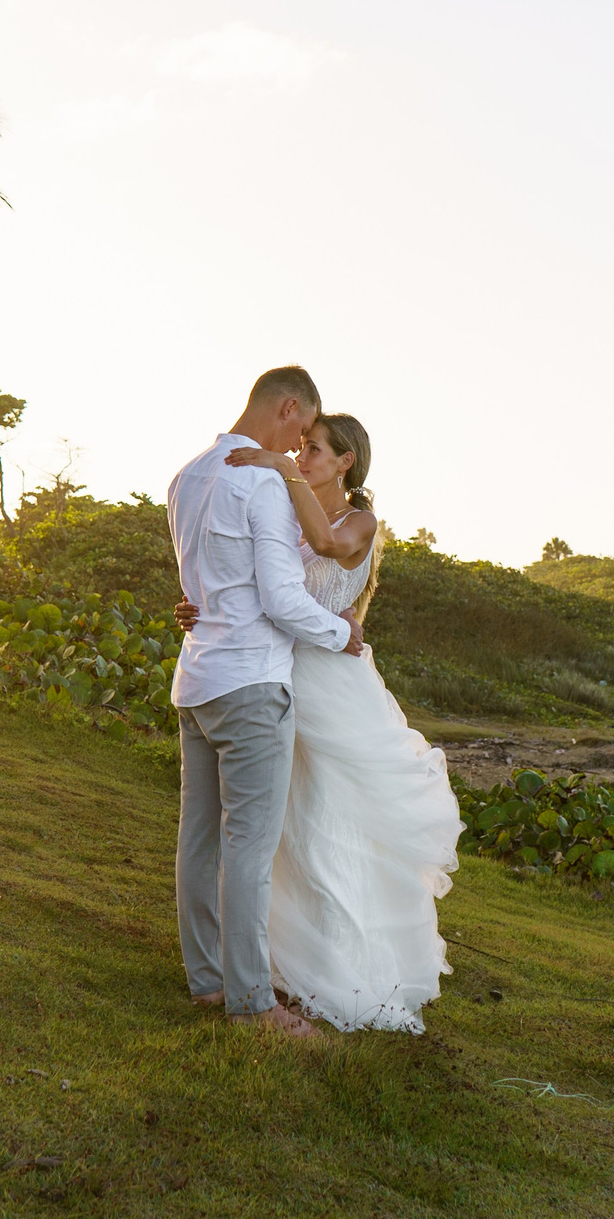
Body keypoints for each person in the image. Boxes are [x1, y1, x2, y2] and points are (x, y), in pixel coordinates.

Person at [181, 411, 466, 1034]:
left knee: (328, 824)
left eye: (315, 451)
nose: (303, 455)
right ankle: (281, 962)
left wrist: (283, 472)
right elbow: (259, 583)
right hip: (277, 672)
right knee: (279, 833)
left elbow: (333, 549)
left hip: (330, 683)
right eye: (301, 447)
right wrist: (201, 602)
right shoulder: (285, 511)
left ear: (347, 463)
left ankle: (344, 966)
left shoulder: (358, 520)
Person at [165, 365, 365, 1038]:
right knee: (247, 847)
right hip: (251, 683)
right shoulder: (262, 481)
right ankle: (251, 1002)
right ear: (288, 410)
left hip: (196, 679)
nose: (302, 446)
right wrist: (344, 634)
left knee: (198, 840)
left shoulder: (187, 475)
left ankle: (207, 982)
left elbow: (200, 583)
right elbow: (283, 601)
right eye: (304, 431)